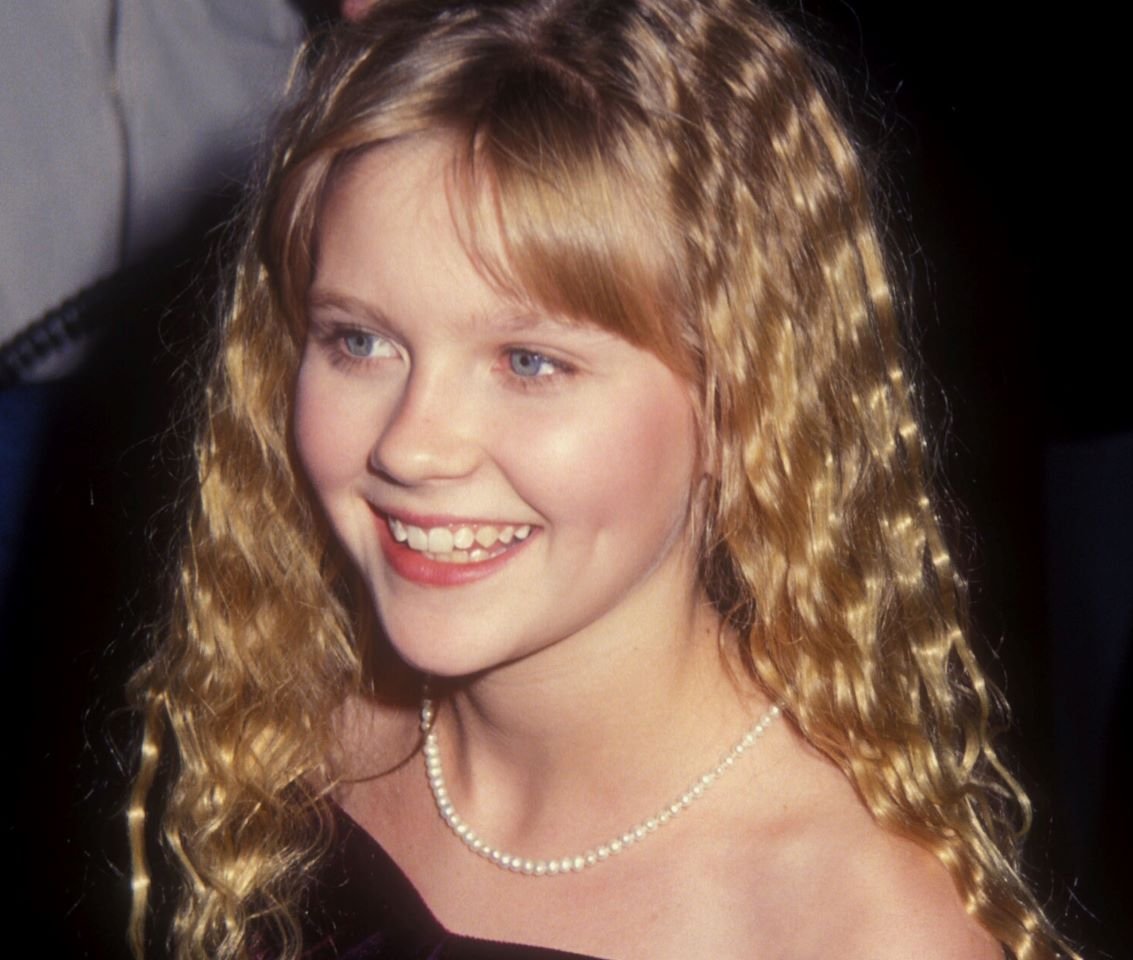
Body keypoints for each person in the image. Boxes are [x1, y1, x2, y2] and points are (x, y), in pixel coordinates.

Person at [128, 1, 1073, 957]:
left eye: (530, 361)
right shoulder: (286, 736)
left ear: (742, 399)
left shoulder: (852, 926)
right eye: (360, 341)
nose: (413, 447)